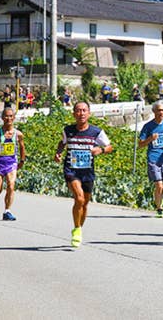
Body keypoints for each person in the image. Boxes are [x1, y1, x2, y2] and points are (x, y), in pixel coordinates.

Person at [54, 102, 112, 248]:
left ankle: (78, 228)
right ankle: (77, 229)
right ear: (74, 113)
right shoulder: (68, 130)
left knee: (84, 204)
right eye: (78, 111)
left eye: (84, 110)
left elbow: (109, 146)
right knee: (79, 198)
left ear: (89, 113)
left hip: (87, 171)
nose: (81, 113)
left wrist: (101, 150)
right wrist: (58, 152)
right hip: (71, 170)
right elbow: (62, 143)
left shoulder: (96, 132)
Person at [0, 108, 26, 221]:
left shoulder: (18, 134)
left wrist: (22, 161)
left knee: (11, 186)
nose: (8, 118)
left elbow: (22, 148)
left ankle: (7, 211)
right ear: (2, 118)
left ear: (14, 117)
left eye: (10, 116)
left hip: (11, 164)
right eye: (6, 116)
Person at [138, 100, 163, 218]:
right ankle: (159, 208)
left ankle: (158, 197)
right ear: (154, 111)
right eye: (158, 110)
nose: (161, 112)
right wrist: (150, 139)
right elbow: (140, 144)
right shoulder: (148, 126)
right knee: (159, 185)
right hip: (153, 158)